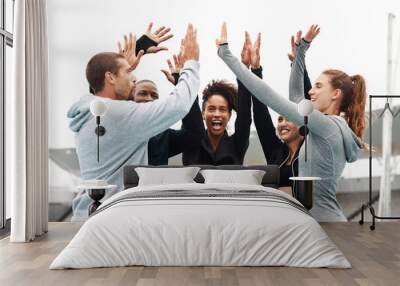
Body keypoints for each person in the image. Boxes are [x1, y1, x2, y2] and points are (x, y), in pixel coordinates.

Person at [216, 23, 366, 222]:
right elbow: (297, 97)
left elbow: (266, 95)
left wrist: (226, 54)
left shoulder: (328, 127)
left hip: (326, 225)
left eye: (318, 86)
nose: (311, 91)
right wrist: (301, 52)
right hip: (321, 223)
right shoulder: (329, 127)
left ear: (336, 94)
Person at [67, 24, 200, 220]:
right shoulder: (118, 115)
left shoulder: (89, 108)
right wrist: (191, 63)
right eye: (128, 71)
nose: (134, 76)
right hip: (111, 220)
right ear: (110, 77)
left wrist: (138, 49)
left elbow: (98, 76)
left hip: (86, 215)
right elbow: (179, 105)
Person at [244, 31, 313, 192]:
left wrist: (298, 63)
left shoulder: (311, 148)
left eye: (288, 118)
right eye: (280, 119)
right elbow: (261, 118)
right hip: (280, 214)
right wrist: (255, 70)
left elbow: (307, 102)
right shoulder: (275, 152)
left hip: (308, 213)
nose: (282, 123)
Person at [131, 52, 204, 165]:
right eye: (143, 93)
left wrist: (182, 85)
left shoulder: (163, 136)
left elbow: (194, 135)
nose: (149, 99)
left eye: (154, 96)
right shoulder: (117, 127)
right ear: (131, 98)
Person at [181, 55, 252, 165]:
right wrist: (183, 75)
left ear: (229, 115)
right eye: (211, 109)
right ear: (203, 114)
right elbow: (190, 108)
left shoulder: (237, 143)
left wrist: (244, 70)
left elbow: (245, 117)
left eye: (222, 109)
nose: (217, 114)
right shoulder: (191, 141)